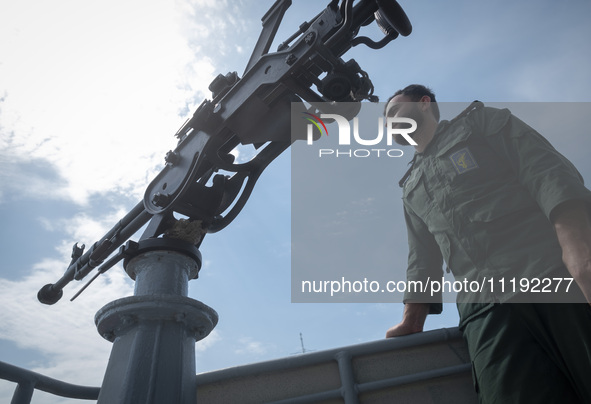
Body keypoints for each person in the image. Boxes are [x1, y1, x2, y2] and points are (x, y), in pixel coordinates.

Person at [384, 84, 591, 403]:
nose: (388, 119)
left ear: (424, 104)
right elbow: (422, 260)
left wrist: (579, 253)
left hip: (552, 276)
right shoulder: (410, 187)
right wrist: (412, 320)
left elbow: (546, 173)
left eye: (395, 110)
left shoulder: (480, 124)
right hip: (485, 311)